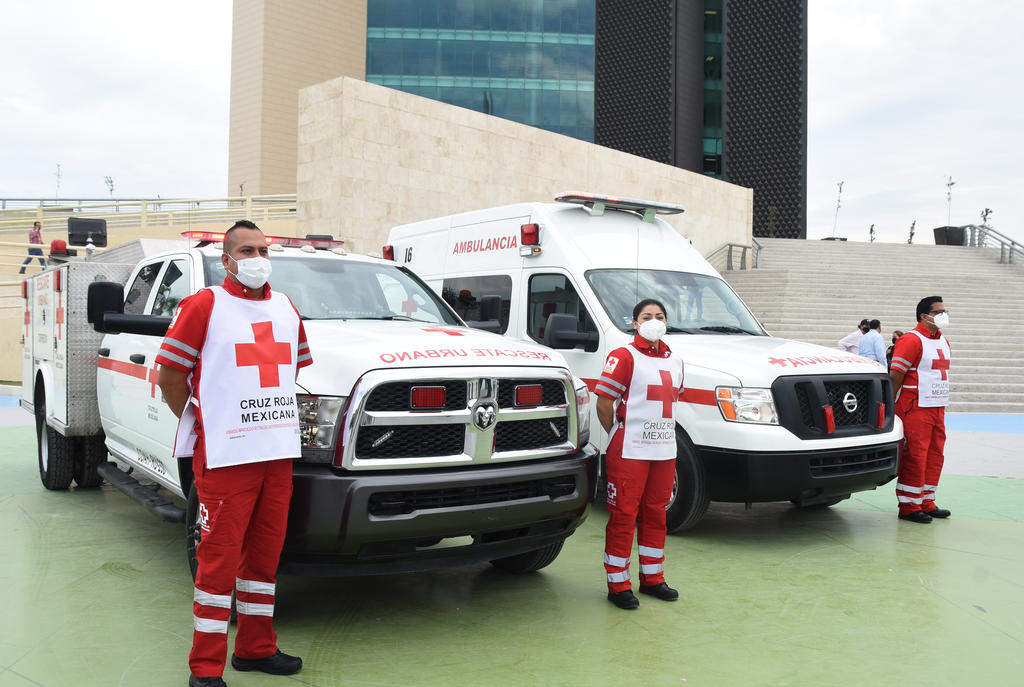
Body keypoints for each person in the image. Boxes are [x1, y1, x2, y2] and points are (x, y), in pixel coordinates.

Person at [157, 220, 313, 687]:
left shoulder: (285, 307)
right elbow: (170, 375)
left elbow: (289, 370)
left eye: (263, 250)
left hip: (276, 455)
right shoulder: (205, 304)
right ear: (226, 260)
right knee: (218, 563)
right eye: (246, 250)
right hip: (226, 458)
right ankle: (205, 670)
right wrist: (202, 421)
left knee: (264, 558)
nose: (257, 258)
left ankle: (255, 648)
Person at [595, 299, 684, 610]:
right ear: (635, 323)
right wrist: (617, 433)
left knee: (656, 513)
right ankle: (618, 584)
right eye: (647, 317)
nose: (654, 321)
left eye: (660, 316)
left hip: (664, 449)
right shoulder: (624, 356)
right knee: (624, 514)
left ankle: (652, 578)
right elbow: (604, 402)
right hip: (630, 449)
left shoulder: (676, 360)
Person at [888, 297, 951, 524]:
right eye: (938, 312)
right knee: (916, 455)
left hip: (936, 407)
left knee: (935, 454)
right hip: (915, 407)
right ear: (924, 316)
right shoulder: (911, 340)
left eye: (945, 311)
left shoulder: (943, 340)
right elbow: (896, 375)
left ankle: (926, 500)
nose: (944, 315)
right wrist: (889, 404)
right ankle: (909, 505)